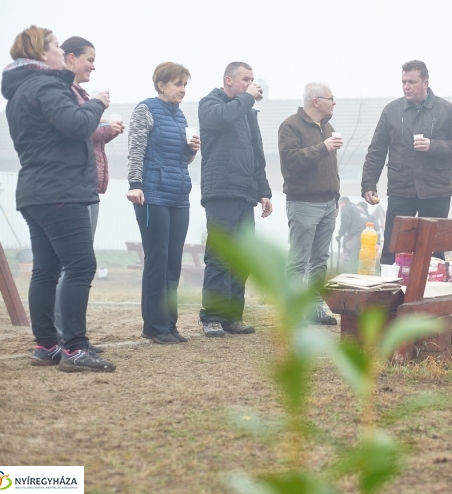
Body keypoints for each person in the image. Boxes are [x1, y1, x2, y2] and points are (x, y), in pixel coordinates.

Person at [1, 25, 114, 371]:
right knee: (80, 265)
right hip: (60, 190)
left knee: (46, 270)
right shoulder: (46, 84)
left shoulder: (21, 90)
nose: (59, 50)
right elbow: (76, 124)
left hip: (36, 191)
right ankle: (75, 348)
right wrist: (96, 103)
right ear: (41, 53)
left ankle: (47, 345)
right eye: (54, 46)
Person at [361, 60, 452, 265]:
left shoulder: (446, 110)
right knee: (394, 249)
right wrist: (368, 183)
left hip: (436, 191)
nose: (406, 86)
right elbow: (376, 150)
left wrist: (434, 146)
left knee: (433, 252)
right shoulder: (391, 111)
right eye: (403, 81)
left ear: (426, 83)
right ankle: (388, 293)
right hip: (401, 190)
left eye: (411, 81)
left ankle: (430, 294)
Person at [52, 36, 125, 348]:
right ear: (70, 58)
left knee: (77, 264)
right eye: (89, 59)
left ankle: (66, 333)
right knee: (71, 265)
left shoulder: (78, 94)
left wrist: (107, 130)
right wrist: (97, 106)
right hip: (70, 189)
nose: (93, 66)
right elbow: (75, 129)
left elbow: (86, 133)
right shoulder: (62, 93)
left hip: (90, 187)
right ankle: (60, 335)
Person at [127, 62, 200, 344]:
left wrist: (191, 151)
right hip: (152, 194)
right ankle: (154, 327)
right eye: (177, 84)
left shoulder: (180, 117)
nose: (182, 90)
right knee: (157, 259)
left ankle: (170, 325)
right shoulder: (145, 110)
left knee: (173, 262)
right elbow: (135, 149)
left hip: (179, 195)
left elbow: (181, 159)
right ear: (161, 85)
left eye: (185, 85)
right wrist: (135, 185)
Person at [198, 62, 273, 337]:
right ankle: (212, 317)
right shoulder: (211, 103)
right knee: (219, 257)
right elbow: (223, 117)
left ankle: (232, 316)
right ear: (228, 81)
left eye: (252, 79)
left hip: (245, 195)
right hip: (220, 192)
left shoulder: (247, 113)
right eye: (245, 79)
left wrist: (263, 191)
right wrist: (247, 97)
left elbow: (257, 157)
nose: (251, 84)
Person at [278, 82, 341, 325]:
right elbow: (291, 161)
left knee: (320, 260)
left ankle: (314, 308)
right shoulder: (291, 126)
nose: (334, 103)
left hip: (327, 204)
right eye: (330, 98)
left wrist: (335, 198)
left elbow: (331, 168)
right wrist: (322, 148)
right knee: (299, 260)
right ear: (316, 101)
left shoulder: (328, 127)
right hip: (303, 203)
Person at [337, 196, 367, 273]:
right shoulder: (357, 208)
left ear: (341, 203)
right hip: (366, 234)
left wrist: (339, 234)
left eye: (339, 205)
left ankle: (345, 279)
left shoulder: (346, 207)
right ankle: (356, 278)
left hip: (357, 234)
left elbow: (345, 222)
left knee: (348, 255)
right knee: (357, 258)